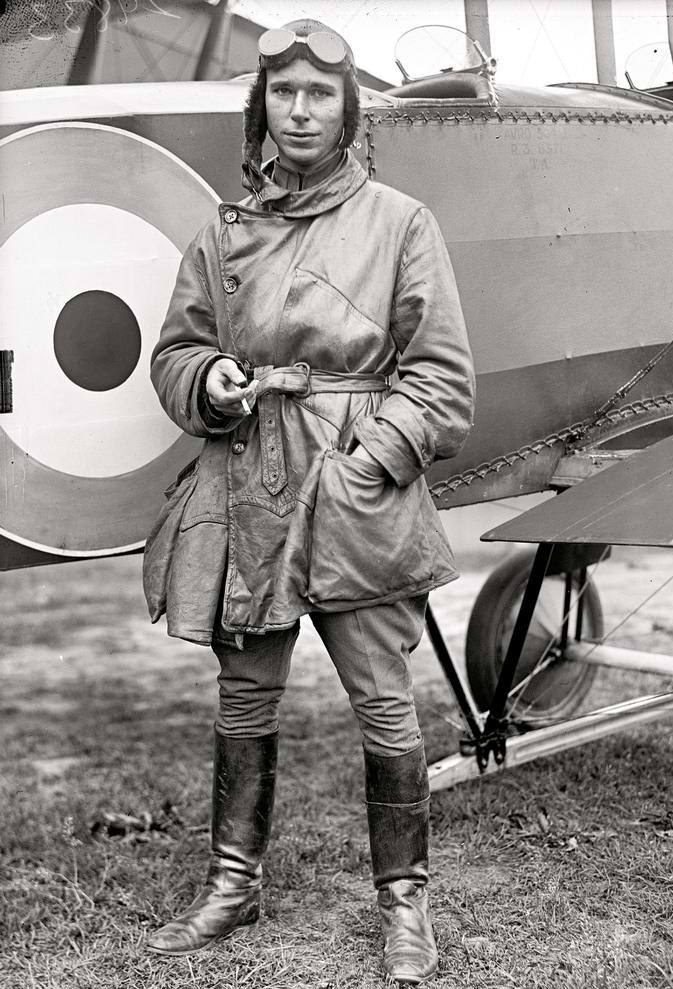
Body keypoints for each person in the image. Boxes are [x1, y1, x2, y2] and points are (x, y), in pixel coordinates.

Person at [142, 19, 475, 985]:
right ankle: (233, 882)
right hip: (250, 478)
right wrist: (208, 381)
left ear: (348, 110)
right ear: (263, 107)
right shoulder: (224, 232)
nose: (299, 111)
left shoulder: (400, 222)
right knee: (245, 690)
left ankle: (405, 903)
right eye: (283, 93)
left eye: (319, 94)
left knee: (384, 701)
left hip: (355, 486)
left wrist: (368, 463)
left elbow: (442, 380)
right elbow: (174, 352)